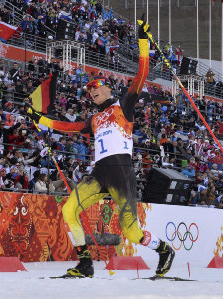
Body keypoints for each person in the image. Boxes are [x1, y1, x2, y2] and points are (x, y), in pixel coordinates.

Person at [25, 17, 175, 278]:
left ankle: (163, 250)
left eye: (95, 87)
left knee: (131, 231)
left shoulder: (123, 106)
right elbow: (69, 127)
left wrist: (142, 41)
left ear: (107, 89)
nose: (90, 91)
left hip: (121, 174)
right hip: (99, 174)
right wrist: (42, 120)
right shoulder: (94, 119)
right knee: (68, 209)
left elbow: (141, 76)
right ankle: (85, 264)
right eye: (88, 89)